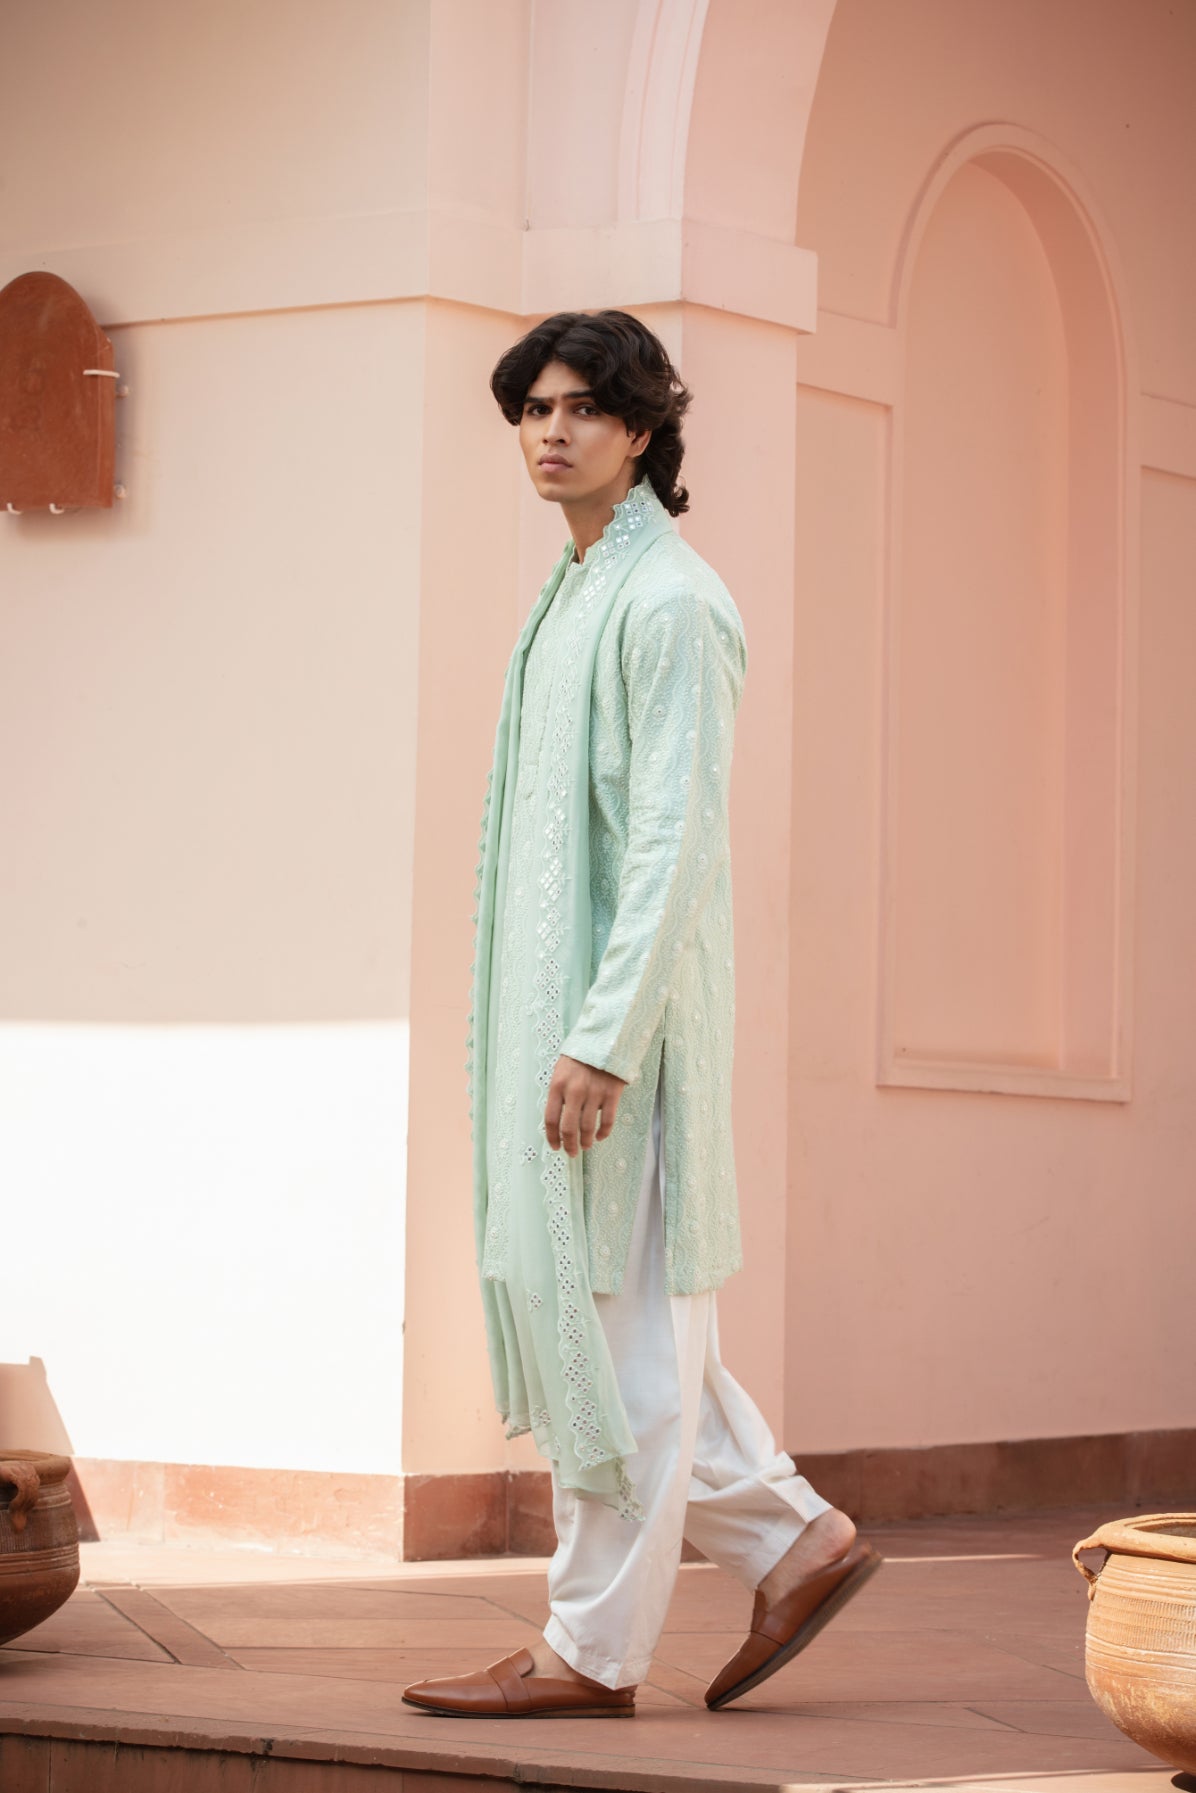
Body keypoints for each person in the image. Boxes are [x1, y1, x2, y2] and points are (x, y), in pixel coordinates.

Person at [403, 310, 880, 1721]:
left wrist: (606, 1036)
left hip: (624, 1045)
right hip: (564, 1034)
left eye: (583, 408)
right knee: (640, 1335)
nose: (552, 432)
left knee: (625, 1350)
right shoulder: (573, 590)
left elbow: (674, 839)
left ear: (644, 429)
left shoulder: (670, 602)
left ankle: (590, 1650)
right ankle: (795, 1541)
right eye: (535, 409)